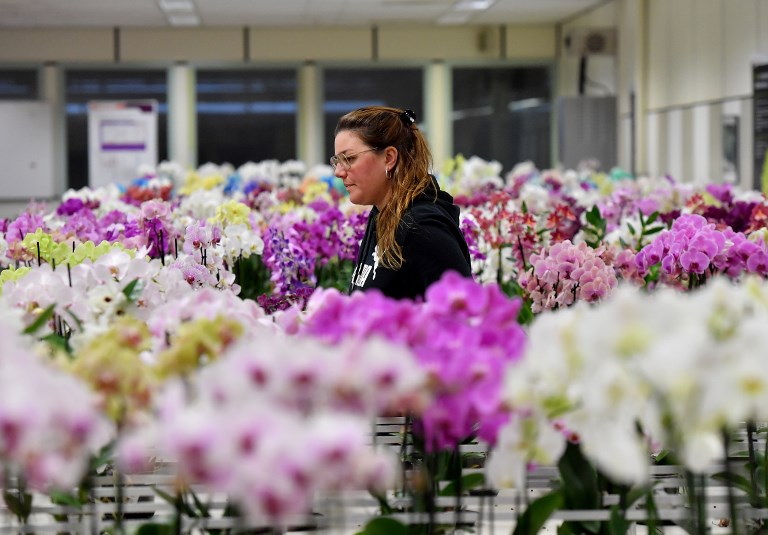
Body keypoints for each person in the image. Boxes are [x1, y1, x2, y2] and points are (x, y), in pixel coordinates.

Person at [332, 106, 472, 300]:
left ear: (389, 158)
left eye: (349, 158)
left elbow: (463, 316)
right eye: (337, 161)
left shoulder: (423, 227)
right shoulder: (383, 215)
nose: (338, 171)